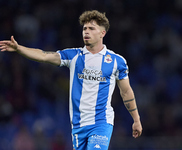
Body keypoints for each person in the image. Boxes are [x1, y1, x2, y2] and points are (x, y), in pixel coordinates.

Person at [0, 10, 142, 150]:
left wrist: (136, 119)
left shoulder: (117, 61)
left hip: (101, 122)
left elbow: (126, 91)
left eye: (91, 28)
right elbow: (44, 56)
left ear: (102, 33)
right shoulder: (74, 56)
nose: (86, 31)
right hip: (78, 125)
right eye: (84, 28)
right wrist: (19, 48)